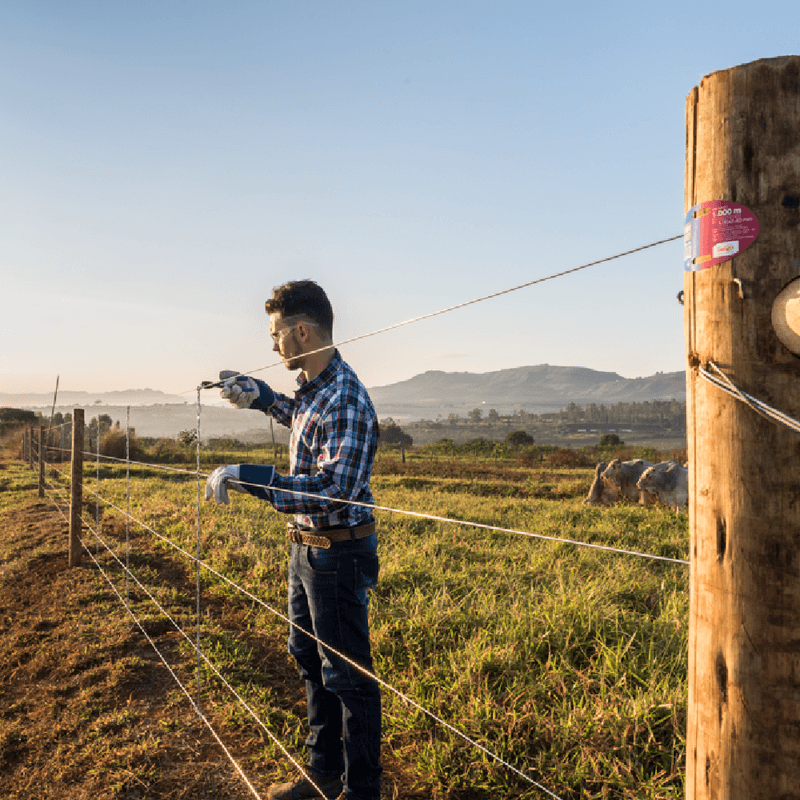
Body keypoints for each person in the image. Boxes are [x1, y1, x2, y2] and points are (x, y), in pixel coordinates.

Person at [205, 279, 381, 800]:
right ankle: (322, 772)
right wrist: (262, 399)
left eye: (277, 333)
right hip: (304, 549)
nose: (272, 344)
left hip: (337, 552)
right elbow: (301, 419)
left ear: (301, 331)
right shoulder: (316, 388)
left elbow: (331, 489)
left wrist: (248, 475)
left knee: (347, 675)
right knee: (307, 654)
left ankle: (361, 790)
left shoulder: (346, 396)